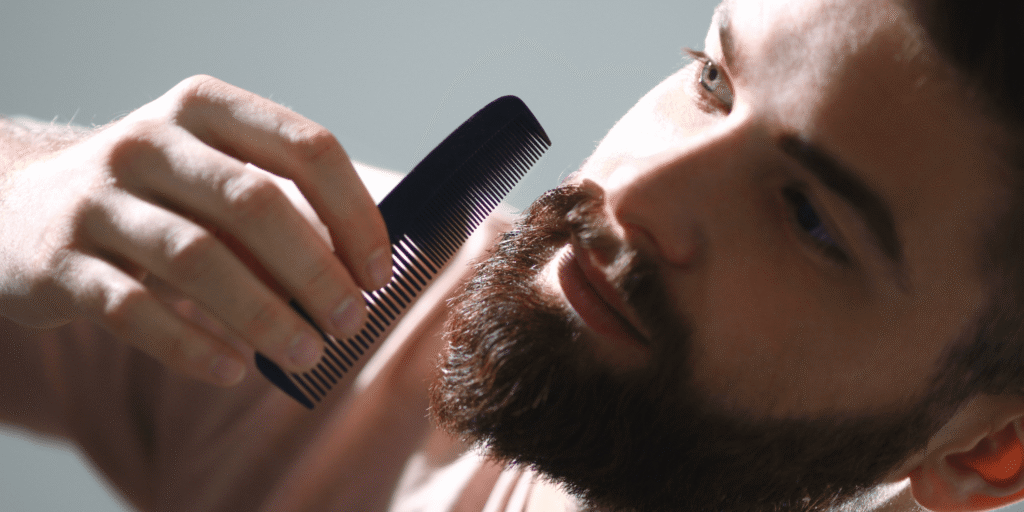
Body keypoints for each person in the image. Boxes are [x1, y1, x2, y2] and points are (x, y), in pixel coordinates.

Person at [1, 0, 1022, 510]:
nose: (635, 192)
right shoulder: (347, 295)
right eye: (712, 79)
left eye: (809, 220)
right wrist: (20, 197)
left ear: (987, 451)